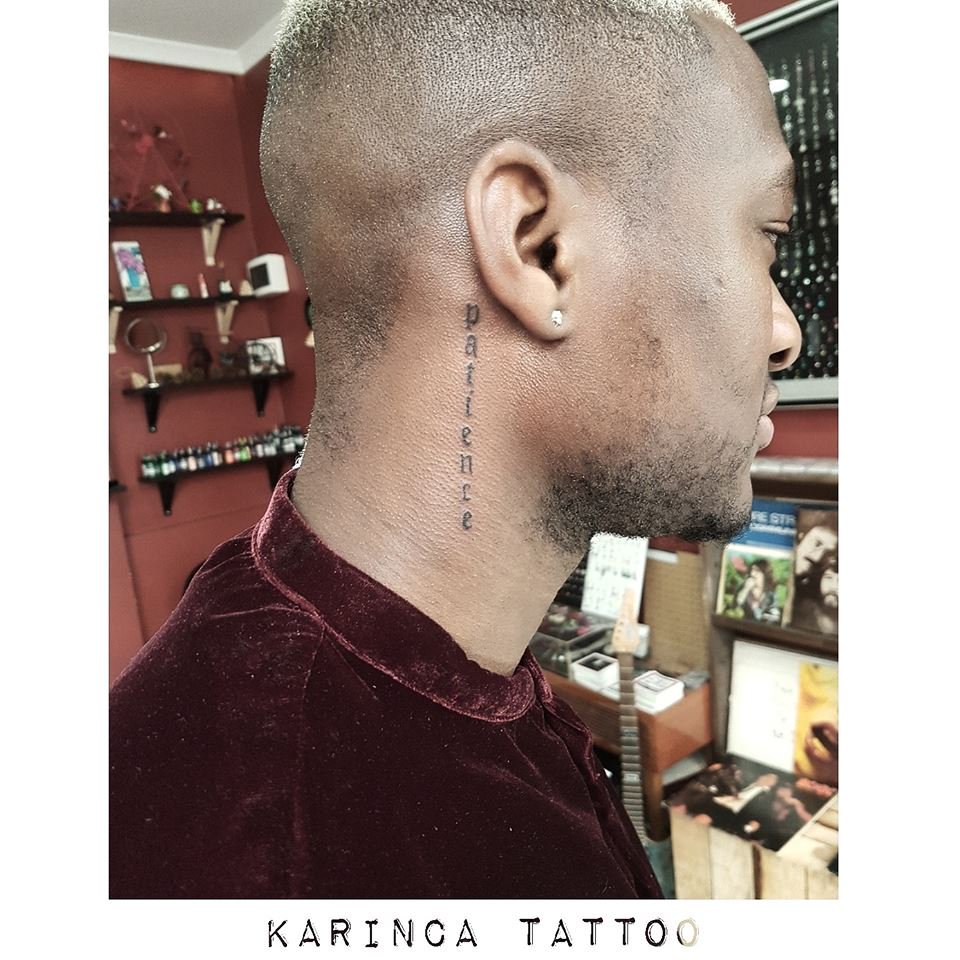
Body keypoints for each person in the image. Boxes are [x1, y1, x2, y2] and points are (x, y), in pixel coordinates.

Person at [110, 0, 801, 898]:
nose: (785, 335)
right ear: (537, 248)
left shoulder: (439, 680)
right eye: (767, 235)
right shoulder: (259, 860)